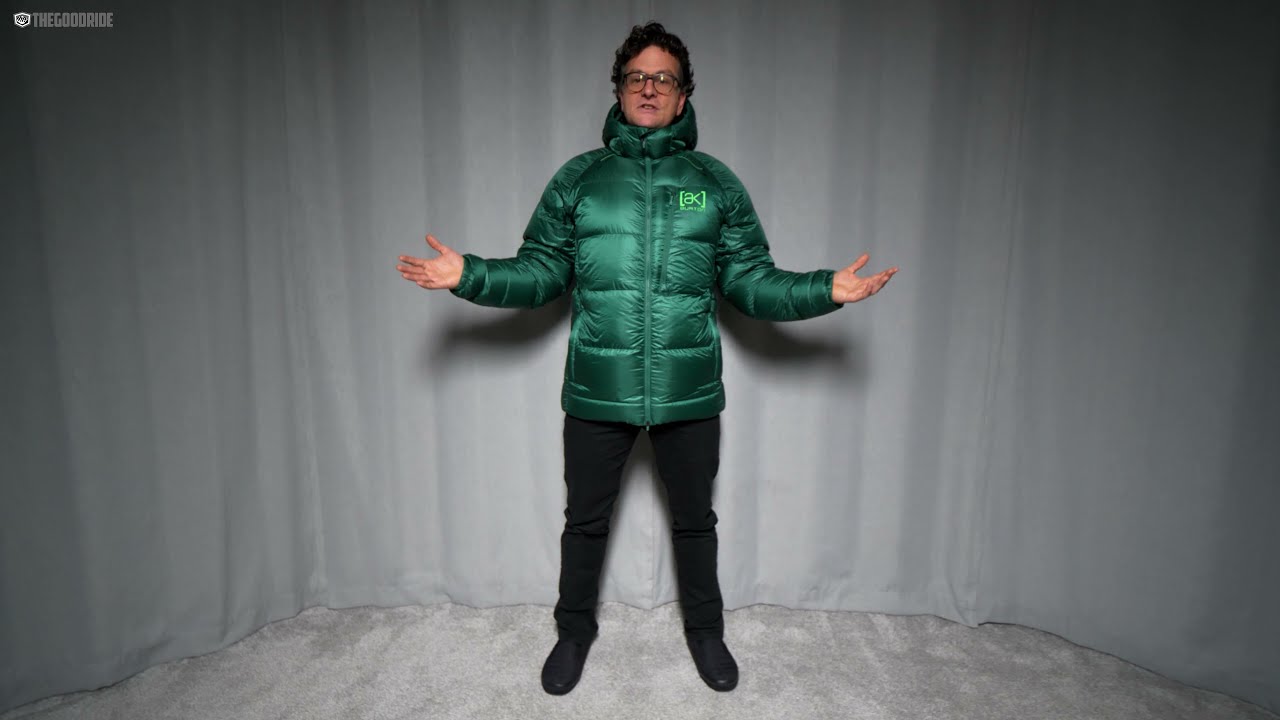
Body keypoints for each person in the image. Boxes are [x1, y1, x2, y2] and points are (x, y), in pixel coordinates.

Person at [396, 22, 898, 696]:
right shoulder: (580, 180)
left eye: (664, 78)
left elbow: (751, 282)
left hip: (689, 391)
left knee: (695, 522)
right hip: (597, 387)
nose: (650, 87)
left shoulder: (711, 185)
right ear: (619, 90)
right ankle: (573, 632)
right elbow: (541, 272)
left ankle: (706, 631)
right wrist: (470, 275)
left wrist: (824, 289)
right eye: (637, 76)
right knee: (584, 522)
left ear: (683, 96)